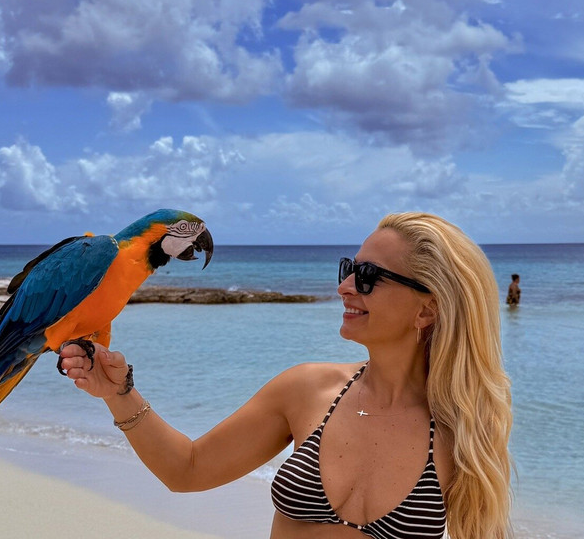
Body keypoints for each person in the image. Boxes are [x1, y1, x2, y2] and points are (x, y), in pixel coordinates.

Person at [60, 212, 513, 538]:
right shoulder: (307, 390)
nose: (344, 286)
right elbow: (188, 469)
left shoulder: (465, 425)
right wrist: (119, 393)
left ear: (427, 309)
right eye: (349, 269)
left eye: (368, 276)